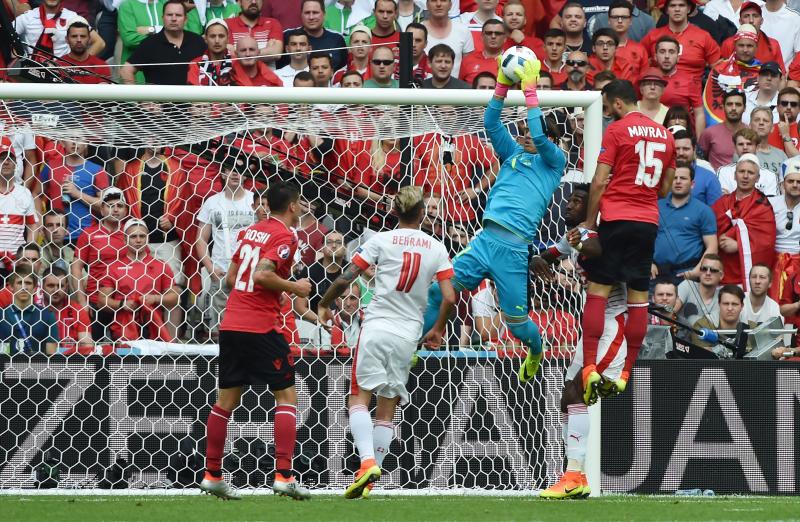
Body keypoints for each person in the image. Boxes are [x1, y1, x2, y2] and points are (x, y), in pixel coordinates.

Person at [425, 57, 566, 384]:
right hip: (484, 241)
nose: (527, 135)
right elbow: (490, 122)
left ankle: (536, 350)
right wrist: (502, 84)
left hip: (513, 252)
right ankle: (420, 345)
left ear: (553, 139)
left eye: (534, 132)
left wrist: (529, 91)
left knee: (517, 325)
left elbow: (540, 137)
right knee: (436, 292)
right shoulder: (513, 153)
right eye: (524, 131)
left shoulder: (554, 163)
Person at [316, 186, 455, 499]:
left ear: (394, 212)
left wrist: (323, 303)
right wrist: (438, 329)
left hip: (377, 326)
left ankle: (367, 463)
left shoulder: (381, 240)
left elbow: (345, 277)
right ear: (423, 213)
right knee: (387, 408)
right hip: (408, 334)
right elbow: (449, 297)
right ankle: (371, 480)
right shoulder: (436, 247)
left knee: (358, 398)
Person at [199, 182, 312, 500]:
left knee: (225, 402)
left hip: (232, 324)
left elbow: (232, 278)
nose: (302, 207)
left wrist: (270, 289)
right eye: (300, 202)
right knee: (286, 397)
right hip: (260, 326)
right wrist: (294, 287)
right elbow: (262, 274)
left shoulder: (251, 232)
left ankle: (212, 475)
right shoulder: (285, 235)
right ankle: (284, 476)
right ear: (292, 206)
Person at [579, 79, 675, 405]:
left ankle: (589, 367)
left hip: (617, 218)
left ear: (618, 103)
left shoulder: (617, 130)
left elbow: (598, 181)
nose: (607, 112)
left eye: (608, 107)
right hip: (647, 222)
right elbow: (665, 189)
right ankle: (625, 373)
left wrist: (589, 225)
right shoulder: (665, 135)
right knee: (638, 297)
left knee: (598, 291)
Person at [531, 184, 624, 499]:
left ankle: (574, 475)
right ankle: (576, 475)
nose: (569, 204)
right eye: (569, 199)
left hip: (613, 324)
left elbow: (596, 252)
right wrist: (539, 259)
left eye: (578, 201)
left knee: (577, 392)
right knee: (568, 398)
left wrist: (582, 240)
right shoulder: (574, 236)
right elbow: (551, 253)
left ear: (593, 207)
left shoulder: (603, 237)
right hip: (592, 326)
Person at [195, 159, 255, 339]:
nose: (235, 173)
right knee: (222, 328)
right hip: (220, 270)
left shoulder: (254, 200)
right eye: (230, 169)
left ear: (246, 175)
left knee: (248, 324)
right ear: (222, 173)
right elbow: (201, 239)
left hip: (249, 271)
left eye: (240, 170)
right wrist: (210, 267)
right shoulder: (212, 202)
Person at [98, 219, 178, 341]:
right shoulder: (113, 267)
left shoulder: (161, 265)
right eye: (133, 236)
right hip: (123, 331)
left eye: (142, 236)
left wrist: (155, 298)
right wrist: (122, 304)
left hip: (153, 329)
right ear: (125, 240)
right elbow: (101, 301)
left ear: (148, 239)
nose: (138, 240)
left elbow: (175, 298)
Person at [712, 154, 776, 290]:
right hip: (721, 272)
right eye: (741, 171)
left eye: (750, 173)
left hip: (747, 276)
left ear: (757, 178)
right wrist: (719, 239)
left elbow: (766, 243)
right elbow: (710, 231)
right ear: (735, 175)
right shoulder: (721, 203)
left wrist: (739, 245)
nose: (745, 176)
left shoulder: (763, 206)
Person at [653, 162, 718, 284]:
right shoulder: (655, 207)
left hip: (688, 274)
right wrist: (648, 263)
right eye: (674, 178)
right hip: (656, 274)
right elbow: (644, 238)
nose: (678, 181)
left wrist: (697, 271)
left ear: (692, 184)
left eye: (683, 178)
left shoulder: (703, 211)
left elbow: (712, 246)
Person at [120, 0, 207, 85]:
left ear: (185, 19)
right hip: (158, 95)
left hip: (192, 95)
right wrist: (138, 94)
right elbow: (126, 71)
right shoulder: (150, 44)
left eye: (178, 15)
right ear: (162, 18)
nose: (173, 19)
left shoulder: (197, 41)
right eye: (169, 15)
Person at [39, 140, 110, 243]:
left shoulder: (97, 170)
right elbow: (36, 194)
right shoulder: (51, 166)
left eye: (79, 139)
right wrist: (39, 218)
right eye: (71, 138)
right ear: (62, 143)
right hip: (55, 234)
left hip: (85, 235)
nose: (74, 143)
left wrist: (77, 194)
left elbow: (106, 206)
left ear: (86, 143)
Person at [14, 0, 104, 58]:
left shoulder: (72, 17)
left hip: (62, 75)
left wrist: (77, 63)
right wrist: (17, 57)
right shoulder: (28, 17)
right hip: (31, 74)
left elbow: (99, 43)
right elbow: (7, 36)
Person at [0, 265, 58, 354]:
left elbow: (52, 356)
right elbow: (2, 354)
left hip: (38, 363)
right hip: (7, 363)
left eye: (28, 283)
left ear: (35, 288)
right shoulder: (2, 315)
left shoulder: (47, 316)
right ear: (11, 286)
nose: (24, 287)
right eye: (20, 283)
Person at [0, 137, 38, 275]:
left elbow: (33, 226)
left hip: (16, 264)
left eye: (10, 158)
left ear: (16, 163)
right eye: (2, 159)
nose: (6, 162)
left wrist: (26, 255)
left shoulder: (24, 193)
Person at [654, 36, 705, 136]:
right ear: (655, 56)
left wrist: (699, 142)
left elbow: (699, 113)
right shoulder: (647, 80)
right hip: (654, 134)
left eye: (671, 52)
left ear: (678, 57)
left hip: (683, 135)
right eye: (662, 52)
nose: (667, 56)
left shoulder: (689, 80)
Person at [720, 3, 784, 75]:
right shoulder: (728, 44)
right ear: (740, 21)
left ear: (761, 21)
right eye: (746, 16)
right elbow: (720, 73)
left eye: (755, 16)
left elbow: (781, 76)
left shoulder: (773, 45)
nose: (751, 20)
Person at [283, 0, 347, 71]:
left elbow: (343, 69)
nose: (311, 17)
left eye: (315, 12)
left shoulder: (337, 39)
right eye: (307, 13)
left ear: (324, 14)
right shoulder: (287, 36)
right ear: (301, 15)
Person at [769, 159, 800, 301]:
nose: (795, 185)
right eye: (791, 181)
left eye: (799, 182)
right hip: (772, 261)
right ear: (783, 183)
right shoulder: (770, 204)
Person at [42, 266, 93, 352]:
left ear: (66, 287)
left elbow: (87, 346)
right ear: (42, 286)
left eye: (60, 286)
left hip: (71, 358)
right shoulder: (35, 309)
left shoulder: (78, 310)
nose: (56, 290)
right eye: (51, 286)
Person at [717, 130, 780, 197]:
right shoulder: (724, 171)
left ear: (757, 147)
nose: (745, 147)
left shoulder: (770, 175)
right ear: (735, 148)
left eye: (749, 144)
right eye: (741, 144)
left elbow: (771, 202)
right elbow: (723, 199)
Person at [691, 284, 750, 353]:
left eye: (734, 304)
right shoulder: (701, 326)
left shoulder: (753, 328)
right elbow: (702, 356)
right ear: (719, 304)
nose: (730, 308)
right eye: (726, 304)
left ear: (742, 306)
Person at [52, 17, 112, 83]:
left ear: (89, 39)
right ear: (67, 39)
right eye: (74, 36)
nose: (79, 40)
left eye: (83, 36)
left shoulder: (101, 66)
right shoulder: (58, 65)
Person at [698, 90, 747, 170]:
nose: (733, 108)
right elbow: (700, 161)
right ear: (723, 107)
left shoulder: (752, 133)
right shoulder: (709, 133)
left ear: (744, 108)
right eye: (729, 104)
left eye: (738, 105)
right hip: (716, 177)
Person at [423, 0, 473, 78]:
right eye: (433, 0)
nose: (438, 4)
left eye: (443, 0)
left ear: (450, 5)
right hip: (422, 85)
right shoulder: (418, 32)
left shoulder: (463, 30)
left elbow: (469, 68)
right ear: (427, 5)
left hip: (456, 85)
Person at [672, 127, 722, 206]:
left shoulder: (709, 178)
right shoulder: (664, 175)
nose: (681, 153)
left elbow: (716, 210)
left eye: (686, 149)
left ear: (694, 149)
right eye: (677, 149)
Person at [601, 1, 648, 77]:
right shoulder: (600, 48)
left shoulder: (640, 50)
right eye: (615, 17)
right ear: (609, 20)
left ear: (630, 21)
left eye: (624, 17)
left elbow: (644, 80)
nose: (620, 21)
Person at [187, 18, 234, 86]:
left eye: (221, 36)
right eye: (212, 36)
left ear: (228, 38)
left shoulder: (236, 63)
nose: (217, 41)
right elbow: (193, 91)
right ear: (206, 39)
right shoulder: (195, 64)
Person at [458, 19, 504, 85]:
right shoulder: (468, 60)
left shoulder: (511, 62)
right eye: (489, 33)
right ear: (482, 37)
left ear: (505, 38)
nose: (493, 36)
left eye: (498, 33)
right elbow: (459, 87)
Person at [762, 0, 800, 69]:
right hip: (756, 73)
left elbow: (798, 54)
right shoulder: (754, 15)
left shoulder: (795, 18)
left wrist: (790, 73)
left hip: (784, 73)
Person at [750, 106, 787, 175]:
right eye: (757, 120)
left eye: (765, 120)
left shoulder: (781, 155)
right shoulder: (742, 151)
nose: (761, 123)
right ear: (750, 126)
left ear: (772, 128)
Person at [768, 87, 800, 158]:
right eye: (784, 103)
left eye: (793, 104)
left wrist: (785, 135)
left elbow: (798, 161)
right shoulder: (767, 129)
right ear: (777, 107)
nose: (789, 107)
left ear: (799, 109)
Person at [40, 211, 74, 275]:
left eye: (59, 225)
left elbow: (84, 278)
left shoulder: (70, 253)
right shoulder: (37, 255)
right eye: (50, 225)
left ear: (67, 231)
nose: (55, 230)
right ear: (43, 231)